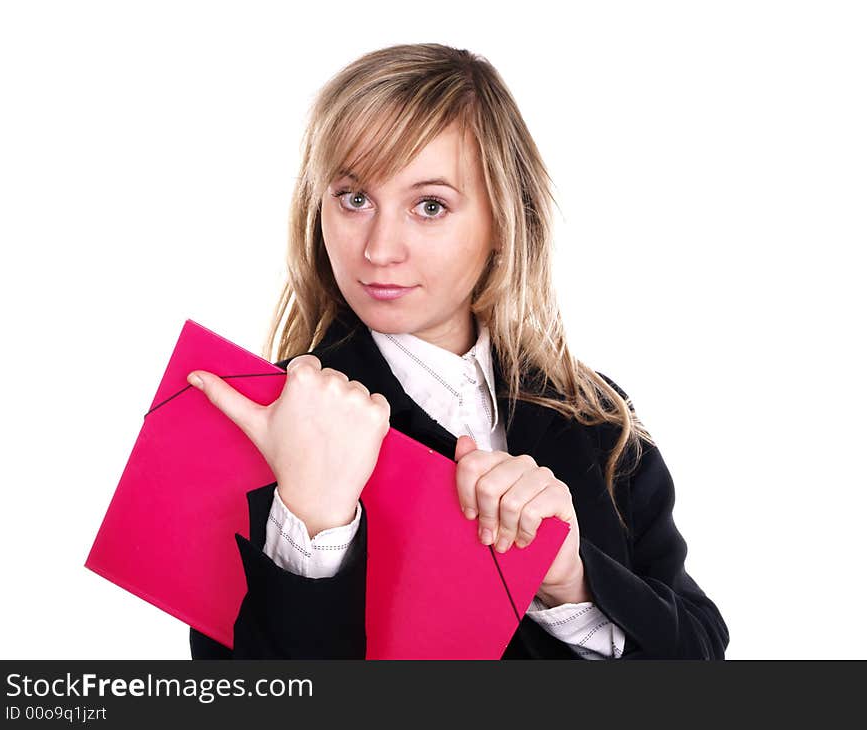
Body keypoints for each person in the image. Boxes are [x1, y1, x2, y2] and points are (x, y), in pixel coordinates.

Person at [184, 43, 729, 659]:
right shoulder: (263, 417)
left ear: (502, 219)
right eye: (354, 198)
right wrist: (311, 522)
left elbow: (703, 657)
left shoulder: (597, 417)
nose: (380, 248)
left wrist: (570, 582)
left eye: (430, 206)